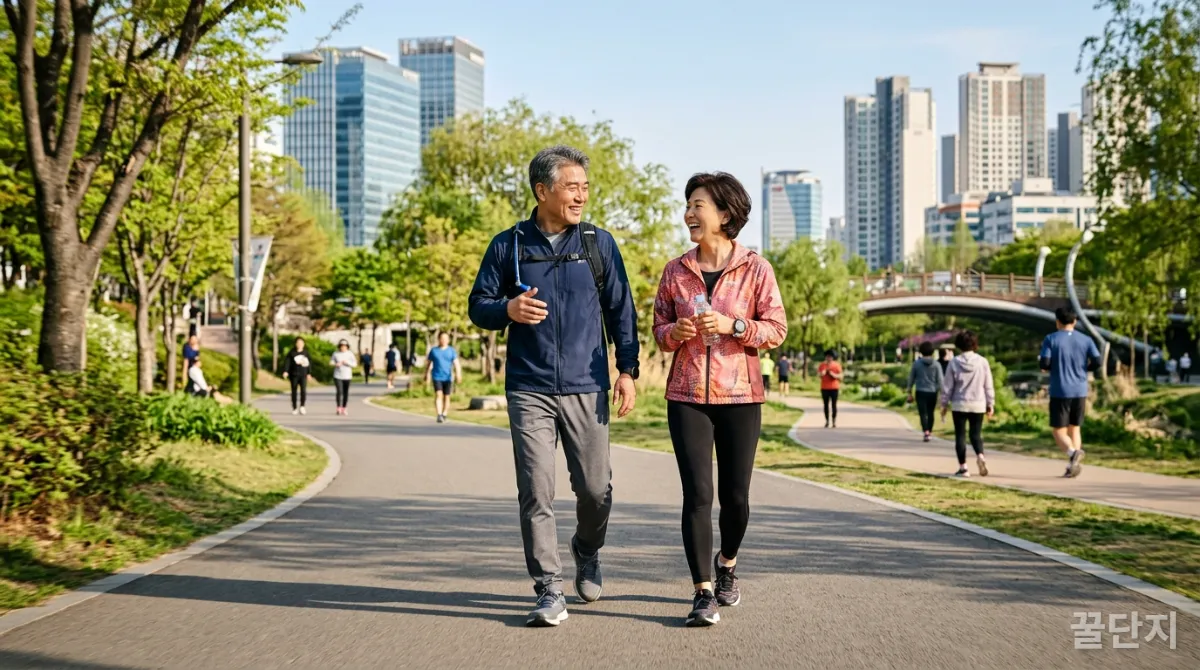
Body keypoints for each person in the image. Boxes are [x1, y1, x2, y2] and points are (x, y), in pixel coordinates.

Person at [468, 145, 640, 627]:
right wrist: (506, 310)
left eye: (585, 186)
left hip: (588, 385)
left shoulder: (597, 244)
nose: (581, 195)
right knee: (535, 489)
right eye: (572, 186)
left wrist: (627, 370)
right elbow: (478, 303)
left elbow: (621, 311)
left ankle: (587, 548)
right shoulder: (509, 245)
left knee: (594, 490)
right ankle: (548, 587)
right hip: (530, 387)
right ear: (542, 191)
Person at [653, 171, 786, 627]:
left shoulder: (756, 268)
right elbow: (659, 332)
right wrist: (676, 332)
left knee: (736, 497)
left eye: (698, 205)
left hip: (741, 396)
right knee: (697, 494)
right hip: (686, 395)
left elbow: (776, 330)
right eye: (688, 205)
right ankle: (702, 591)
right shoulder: (675, 270)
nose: (689, 213)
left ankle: (727, 564)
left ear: (725, 214)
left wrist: (735, 326)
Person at [1039, 307, 1101, 478]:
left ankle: (1072, 454)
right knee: (1075, 428)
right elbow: (1097, 361)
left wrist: (1050, 367)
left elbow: (1044, 362)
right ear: (1074, 322)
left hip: (1060, 389)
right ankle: (1073, 466)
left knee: (1058, 430)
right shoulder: (1086, 340)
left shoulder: (1051, 339)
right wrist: (1084, 369)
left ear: (1057, 321)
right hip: (1080, 389)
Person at [941, 330, 994, 477]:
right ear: (975, 344)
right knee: (976, 434)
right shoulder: (983, 362)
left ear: (959, 345)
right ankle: (980, 455)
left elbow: (948, 386)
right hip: (978, 404)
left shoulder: (954, 362)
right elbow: (988, 384)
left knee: (960, 436)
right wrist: (991, 403)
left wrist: (944, 404)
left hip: (959, 404)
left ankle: (963, 468)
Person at [907, 341, 945, 442]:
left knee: (923, 413)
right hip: (932, 392)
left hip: (920, 391)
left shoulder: (916, 364)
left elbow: (911, 378)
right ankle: (930, 432)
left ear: (921, 352)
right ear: (932, 351)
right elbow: (941, 380)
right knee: (930, 412)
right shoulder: (937, 365)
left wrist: (909, 391)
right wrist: (943, 393)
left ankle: (926, 432)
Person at [425, 332, 463, 423]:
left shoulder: (451, 351)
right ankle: (439, 414)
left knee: (447, 396)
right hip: (437, 376)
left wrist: (458, 374)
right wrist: (426, 374)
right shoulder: (434, 351)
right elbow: (428, 364)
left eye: (446, 338)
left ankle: (444, 413)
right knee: (438, 394)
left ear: (448, 340)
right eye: (442, 338)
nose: (444, 340)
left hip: (448, 377)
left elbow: (456, 363)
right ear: (439, 339)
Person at [282, 337, 313, 415]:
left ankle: (302, 406)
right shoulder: (292, 353)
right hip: (294, 374)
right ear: (295, 344)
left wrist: (309, 373)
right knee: (294, 391)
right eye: (298, 343)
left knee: (303, 390)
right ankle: (294, 407)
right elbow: (287, 362)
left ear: (303, 344)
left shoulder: (306, 353)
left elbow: (309, 364)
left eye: (301, 343)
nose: (299, 344)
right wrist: (286, 371)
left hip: (303, 374)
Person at [330, 339, 357, 416]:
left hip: (347, 376)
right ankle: (338, 407)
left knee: (346, 393)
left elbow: (355, 364)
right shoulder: (336, 353)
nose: (343, 347)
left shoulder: (350, 354)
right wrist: (336, 364)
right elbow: (331, 362)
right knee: (339, 391)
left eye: (344, 346)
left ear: (347, 347)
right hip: (337, 375)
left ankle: (344, 407)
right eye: (341, 346)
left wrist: (347, 363)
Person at [818, 350, 842, 428]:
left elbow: (841, 376)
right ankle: (827, 421)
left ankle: (834, 421)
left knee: (834, 405)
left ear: (832, 357)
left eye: (830, 357)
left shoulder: (836, 365)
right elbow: (819, 374)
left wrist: (833, 374)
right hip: (824, 388)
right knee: (826, 405)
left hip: (834, 387)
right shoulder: (822, 365)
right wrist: (823, 373)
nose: (828, 358)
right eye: (827, 356)